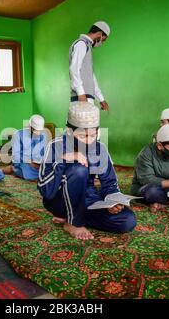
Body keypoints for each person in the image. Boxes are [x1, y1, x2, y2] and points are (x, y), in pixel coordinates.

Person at [38, 102, 136, 240]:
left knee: (128, 221)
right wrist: (63, 160)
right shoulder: (55, 146)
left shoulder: (99, 148)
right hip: (59, 201)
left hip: (88, 201)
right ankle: (73, 223)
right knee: (79, 169)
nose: (89, 141)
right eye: (83, 136)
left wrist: (112, 202)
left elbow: (110, 185)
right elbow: (46, 191)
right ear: (69, 131)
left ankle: (74, 217)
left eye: (93, 135)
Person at [69, 21, 111, 111]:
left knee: (88, 124)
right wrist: (80, 93)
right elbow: (74, 69)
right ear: (99, 34)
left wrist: (101, 99)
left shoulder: (87, 46)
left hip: (86, 96)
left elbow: (90, 76)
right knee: (83, 124)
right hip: (82, 96)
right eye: (103, 40)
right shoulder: (81, 44)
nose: (101, 43)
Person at [4, 114, 49, 180]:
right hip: (23, 162)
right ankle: (13, 169)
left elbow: (44, 152)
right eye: (36, 130)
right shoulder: (18, 134)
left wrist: (40, 162)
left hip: (37, 163)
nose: (38, 133)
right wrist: (29, 162)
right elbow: (15, 156)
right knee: (27, 174)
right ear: (30, 127)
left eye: (40, 131)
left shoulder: (43, 135)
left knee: (50, 169)